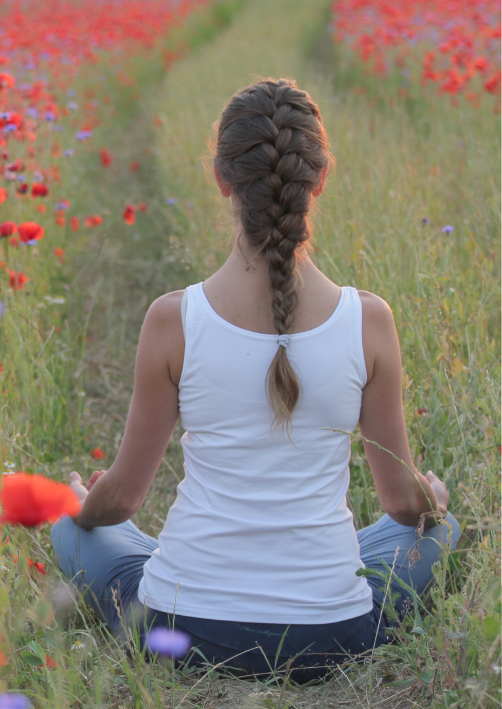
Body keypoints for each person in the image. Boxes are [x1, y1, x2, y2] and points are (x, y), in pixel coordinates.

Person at [50, 78, 458, 683]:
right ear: (318, 179)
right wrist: (434, 500)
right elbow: (402, 503)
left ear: (221, 180)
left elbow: (123, 502)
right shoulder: (368, 320)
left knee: (70, 524)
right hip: (332, 636)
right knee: (437, 529)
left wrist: (83, 506)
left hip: (181, 628)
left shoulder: (173, 319)